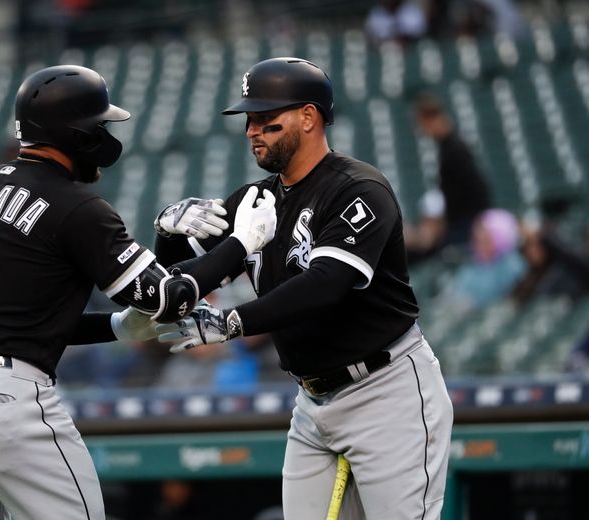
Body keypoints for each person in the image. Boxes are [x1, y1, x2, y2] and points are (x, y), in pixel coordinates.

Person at [0, 64, 277, 520]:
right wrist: (242, 243)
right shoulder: (76, 204)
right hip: (2, 402)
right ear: (76, 134)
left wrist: (119, 327)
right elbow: (169, 300)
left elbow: (17, 320)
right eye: (99, 126)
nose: (105, 136)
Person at [155, 57, 453, 519]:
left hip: (386, 389)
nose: (253, 130)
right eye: (249, 120)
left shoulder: (359, 188)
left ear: (309, 117)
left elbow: (326, 284)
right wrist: (167, 231)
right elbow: (178, 277)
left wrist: (233, 322)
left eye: (267, 120)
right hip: (312, 402)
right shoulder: (254, 201)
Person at [412, 92, 491, 252]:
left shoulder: (455, 149)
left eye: (423, 124)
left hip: (467, 224)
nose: (423, 131)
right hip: (461, 222)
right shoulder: (447, 148)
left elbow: (474, 189)